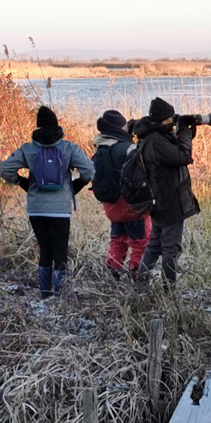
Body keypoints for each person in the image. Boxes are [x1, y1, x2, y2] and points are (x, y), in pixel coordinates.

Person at [0, 106, 94, 298]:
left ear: (37, 126)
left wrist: (21, 182)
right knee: (60, 252)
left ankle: (45, 294)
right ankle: (60, 297)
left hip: (36, 209)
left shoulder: (28, 149)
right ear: (56, 124)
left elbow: (4, 169)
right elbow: (90, 171)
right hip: (60, 209)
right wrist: (78, 184)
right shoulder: (69, 148)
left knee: (45, 250)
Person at [133, 97, 200, 286]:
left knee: (155, 244)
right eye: (171, 118)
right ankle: (168, 289)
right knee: (170, 248)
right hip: (169, 200)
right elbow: (183, 156)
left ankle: (141, 284)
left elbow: (175, 150)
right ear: (163, 120)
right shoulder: (156, 141)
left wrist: (185, 130)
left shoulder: (151, 136)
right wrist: (184, 130)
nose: (173, 121)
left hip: (160, 198)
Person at [92, 110, 149, 280]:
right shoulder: (127, 148)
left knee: (117, 241)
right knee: (140, 243)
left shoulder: (100, 147)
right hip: (131, 206)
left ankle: (112, 275)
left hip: (111, 206)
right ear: (118, 128)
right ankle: (137, 276)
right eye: (125, 126)